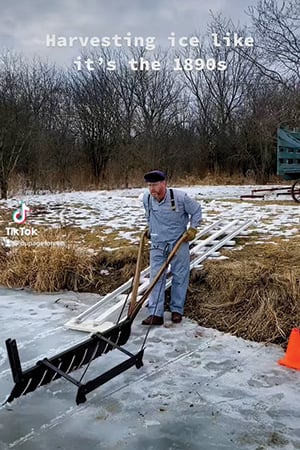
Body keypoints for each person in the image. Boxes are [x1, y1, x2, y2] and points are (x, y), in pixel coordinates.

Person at [141, 170, 202, 325]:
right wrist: (151, 229)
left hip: (178, 242)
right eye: (149, 185)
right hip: (157, 243)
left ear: (164, 183)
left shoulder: (180, 198)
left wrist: (193, 229)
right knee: (156, 277)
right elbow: (150, 216)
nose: (152, 189)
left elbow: (196, 211)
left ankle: (176, 310)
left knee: (180, 276)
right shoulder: (147, 199)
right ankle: (156, 314)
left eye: (154, 185)